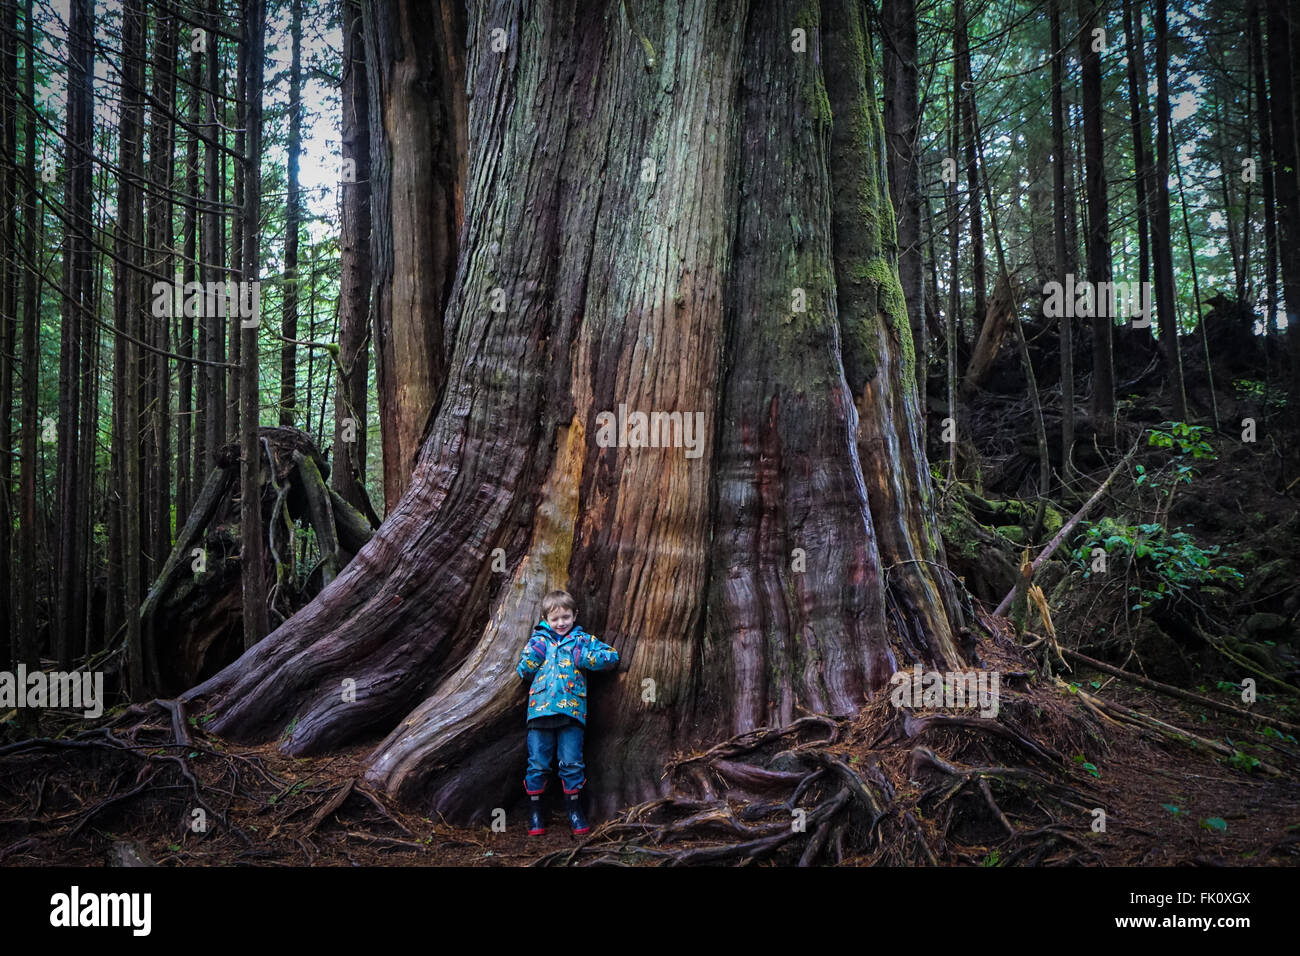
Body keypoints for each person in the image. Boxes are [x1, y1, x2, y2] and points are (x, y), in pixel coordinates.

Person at [516, 589, 619, 835]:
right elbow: (523, 671)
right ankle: (536, 813)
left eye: (566, 617)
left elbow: (612, 657)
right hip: (540, 713)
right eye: (555, 619)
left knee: (572, 763)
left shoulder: (582, 640)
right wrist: (534, 657)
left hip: (571, 714)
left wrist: (584, 658)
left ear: (575, 616)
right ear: (545, 620)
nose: (561, 623)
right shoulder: (538, 641)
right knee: (538, 765)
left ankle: (574, 810)